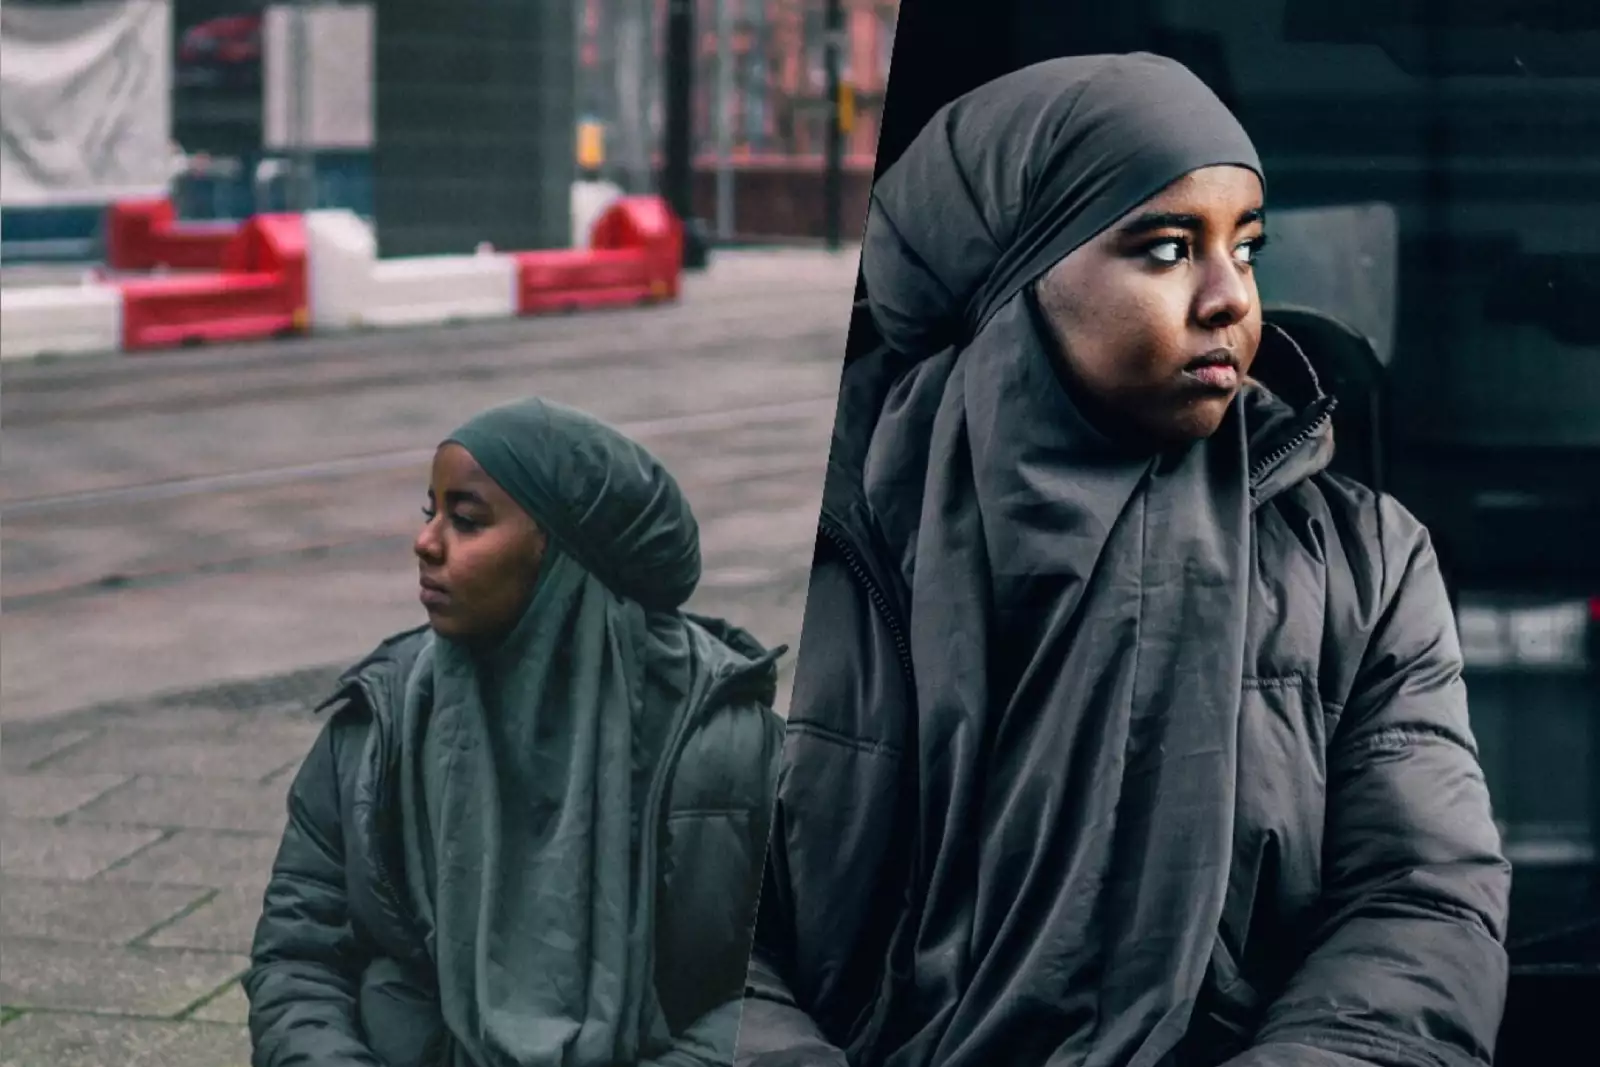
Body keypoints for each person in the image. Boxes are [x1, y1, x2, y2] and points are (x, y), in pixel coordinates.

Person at [737, 54, 1510, 1067]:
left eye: (1247, 247)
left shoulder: (1363, 564)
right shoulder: (803, 552)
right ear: (1008, 276)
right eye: (1164, 248)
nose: (1229, 296)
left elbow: (1419, 904)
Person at [245, 398, 786, 1067]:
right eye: (429, 512)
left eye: (466, 520)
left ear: (562, 555)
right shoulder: (375, 729)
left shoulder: (727, 745)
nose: (426, 541)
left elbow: (782, 993)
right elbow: (299, 959)